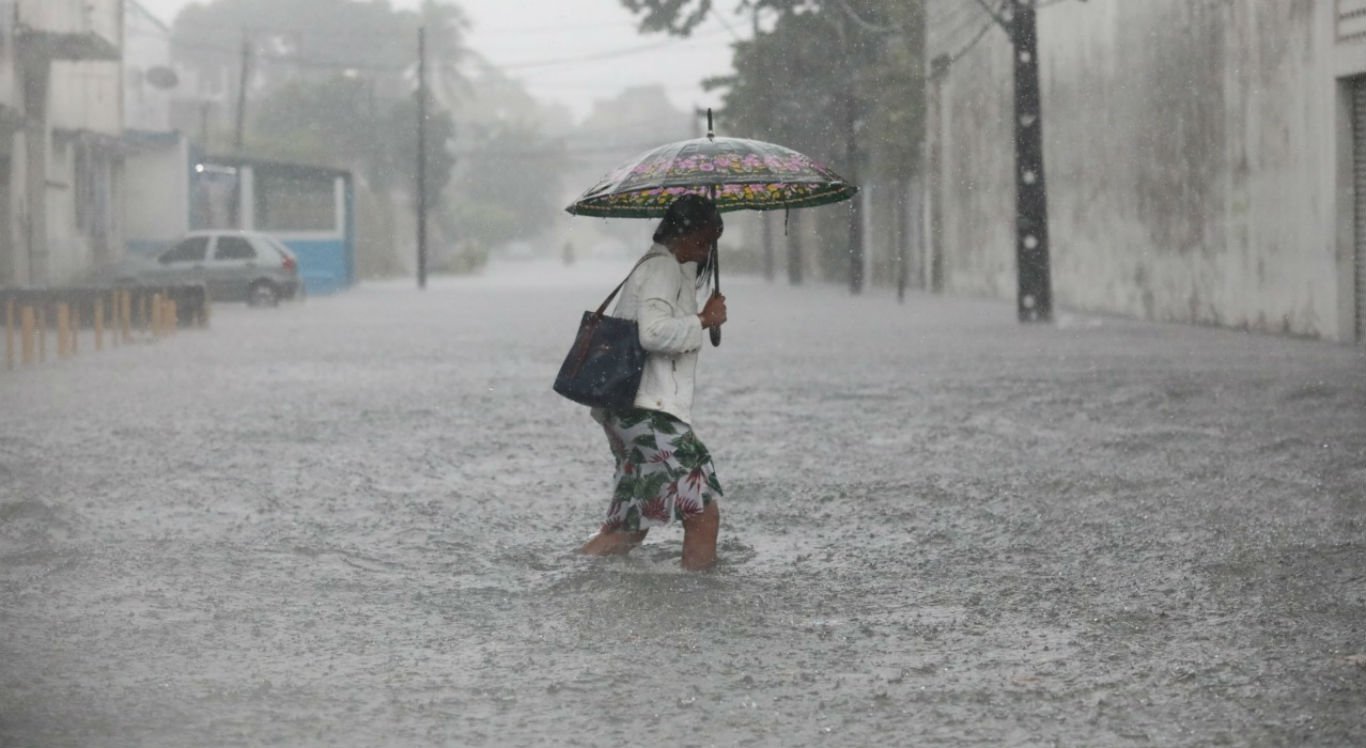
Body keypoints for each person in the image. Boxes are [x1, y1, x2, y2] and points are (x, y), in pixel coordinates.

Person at [578, 194, 728, 570]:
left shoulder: (665, 267)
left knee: (627, 527)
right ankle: (701, 611)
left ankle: (570, 577)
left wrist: (699, 316)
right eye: (705, 239)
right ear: (683, 232)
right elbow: (654, 334)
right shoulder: (662, 268)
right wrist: (703, 321)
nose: (707, 250)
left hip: (626, 410)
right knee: (703, 514)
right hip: (650, 413)